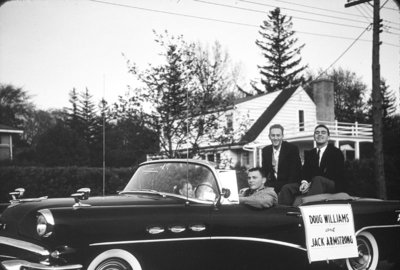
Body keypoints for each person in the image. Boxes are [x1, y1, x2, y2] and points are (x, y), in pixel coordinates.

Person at [279, 124, 345, 206]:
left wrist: (311, 183)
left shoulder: (336, 152)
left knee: (318, 179)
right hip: (313, 184)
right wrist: (305, 182)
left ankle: (306, 208)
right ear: (314, 137)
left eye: (323, 132)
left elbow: (337, 174)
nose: (320, 134)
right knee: (287, 188)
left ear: (328, 137)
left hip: (331, 185)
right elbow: (305, 171)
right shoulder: (310, 153)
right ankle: (283, 213)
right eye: (317, 133)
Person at [261, 124, 302, 194]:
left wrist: (283, 189)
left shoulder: (292, 149)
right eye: (273, 135)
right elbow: (264, 171)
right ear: (269, 136)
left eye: (278, 135)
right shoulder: (266, 150)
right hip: (272, 184)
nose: (275, 138)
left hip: (289, 184)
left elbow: (295, 172)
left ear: (282, 136)